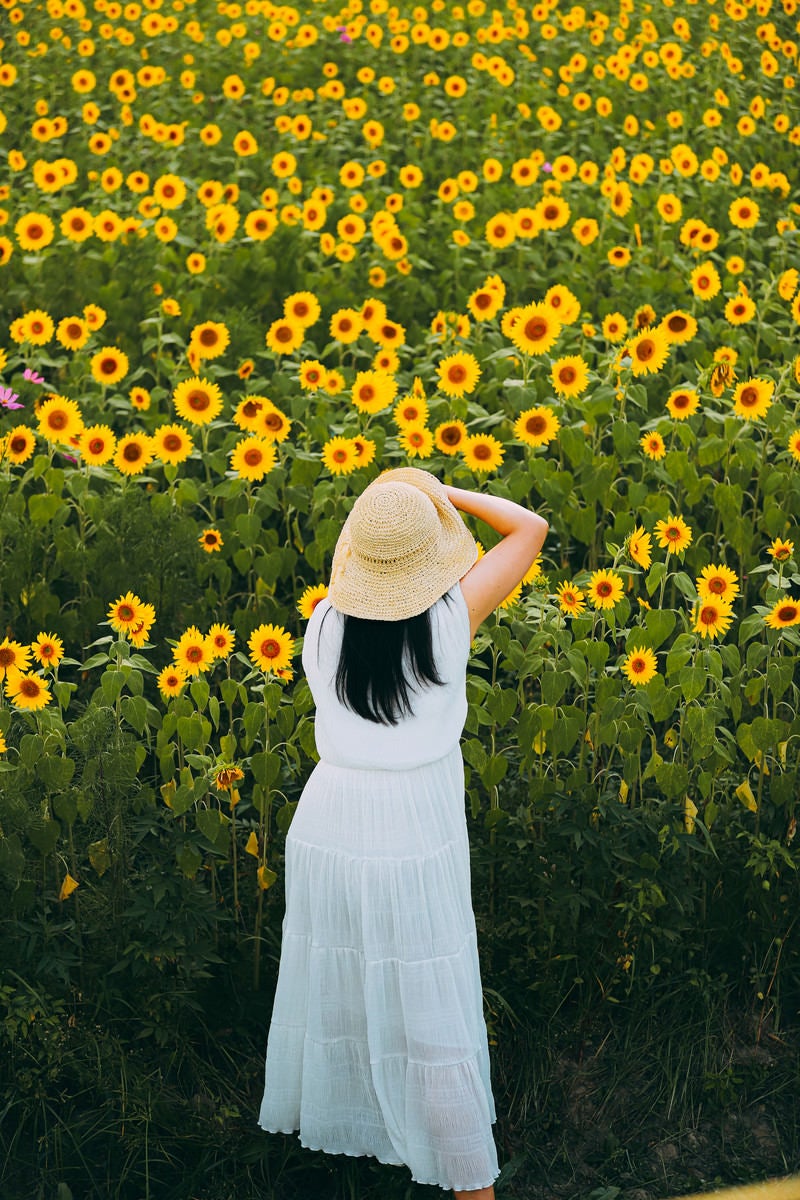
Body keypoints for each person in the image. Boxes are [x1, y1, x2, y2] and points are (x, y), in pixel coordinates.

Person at [259, 467, 548, 1199]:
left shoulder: (322, 625)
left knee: (352, 981)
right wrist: (445, 498)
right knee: (431, 999)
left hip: (332, 820)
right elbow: (530, 529)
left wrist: (384, 522)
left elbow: (349, 573)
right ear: (429, 559)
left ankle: (367, 1135)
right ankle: (469, 1185)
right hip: (412, 823)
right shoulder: (451, 621)